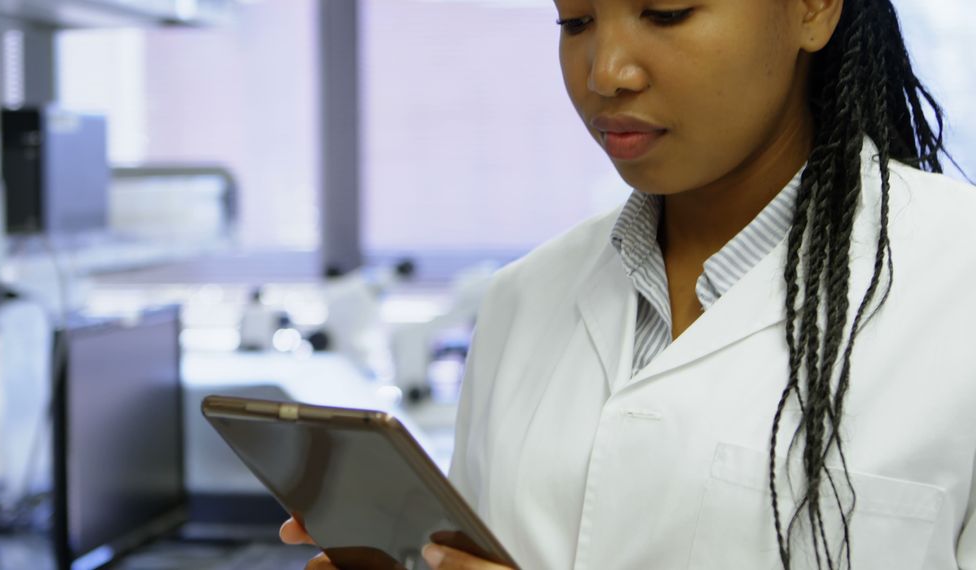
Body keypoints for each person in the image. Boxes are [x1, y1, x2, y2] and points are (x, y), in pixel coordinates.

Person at [282, 0, 976, 567]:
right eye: (576, 22)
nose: (606, 73)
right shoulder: (521, 299)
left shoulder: (957, 281)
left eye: (666, 12)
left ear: (813, 9)